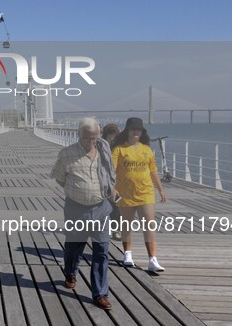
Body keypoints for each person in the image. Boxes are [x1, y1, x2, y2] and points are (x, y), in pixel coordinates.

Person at [51, 117, 116, 310]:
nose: (92, 142)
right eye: (88, 138)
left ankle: (100, 293)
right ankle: (70, 272)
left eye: (95, 138)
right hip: (76, 209)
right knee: (74, 247)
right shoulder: (66, 154)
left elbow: (111, 174)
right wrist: (77, 191)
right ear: (79, 134)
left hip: (101, 208)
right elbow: (59, 178)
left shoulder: (104, 151)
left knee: (101, 251)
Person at [111, 117, 167, 272]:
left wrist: (160, 189)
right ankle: (127, 254)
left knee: (149, 224)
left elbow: (153, 170)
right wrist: (112, 188)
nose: (136, 132)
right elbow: (111, 171)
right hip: (125, 192)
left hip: (145, 192)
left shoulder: (147, 149)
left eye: (139, 129)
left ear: (142, 132)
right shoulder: (119, 149)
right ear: (127, 131)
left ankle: (152, 259)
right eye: (133, 129)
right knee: (126, 225)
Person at [102, 123, 121, 241]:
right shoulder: (100, 144)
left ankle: (116, 230)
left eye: (114, 134)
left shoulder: (119, 145)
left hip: (116, 180)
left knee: (116, 205)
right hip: (103, 178)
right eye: (111, 134)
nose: (113, 137)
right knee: (101, 205)